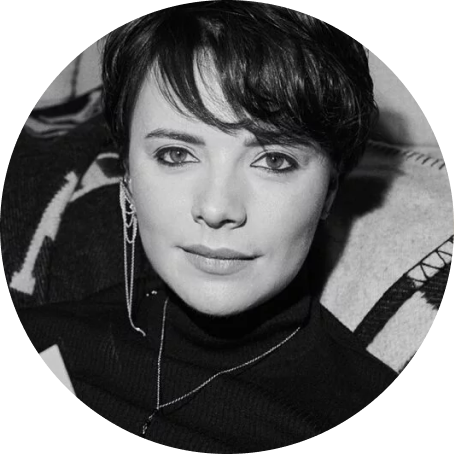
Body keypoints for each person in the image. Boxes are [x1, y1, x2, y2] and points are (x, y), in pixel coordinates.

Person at [16, 2, 397, 451]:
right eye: (176, 154)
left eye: (274, 160)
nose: (217, 209)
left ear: (329, 190)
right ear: (128, 175)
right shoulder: (46, 342)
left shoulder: (355, 400)